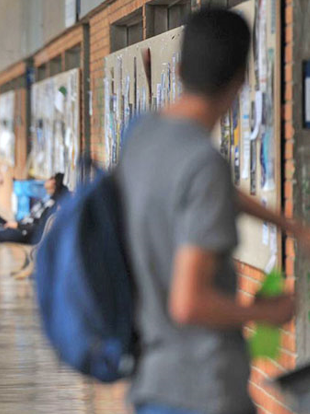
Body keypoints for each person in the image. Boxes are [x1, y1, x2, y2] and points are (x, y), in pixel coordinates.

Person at [115, 9, 309, 414]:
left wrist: (285, 223)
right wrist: (266, 311)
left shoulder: (142, 136)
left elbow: (201, 189)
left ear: (180, 70)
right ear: (240, 81)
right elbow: (189, 303)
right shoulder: (203, 166)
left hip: (151, 381)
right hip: (200, 391)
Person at [0, 174, 67, 280]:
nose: (47, 180)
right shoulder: (47, 199)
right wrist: (16, 223)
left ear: (54, 183)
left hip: (24, 233)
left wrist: (18, 225)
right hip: (20, 227)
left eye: (51, 178)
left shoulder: (52, 204)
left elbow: (38, 227)